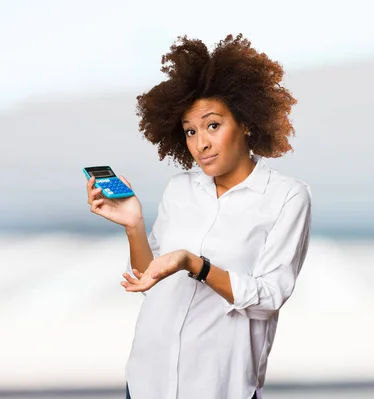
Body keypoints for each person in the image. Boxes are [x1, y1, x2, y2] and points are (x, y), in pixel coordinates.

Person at [85, 34, 312, 399]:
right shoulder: (180, 188)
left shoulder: (286, 197)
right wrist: (134, 226)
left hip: (218, 385)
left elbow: (269, 297)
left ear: (247, 122)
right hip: (148, 379)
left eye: (212, 125)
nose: (200, 143)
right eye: (190, 131)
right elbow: (150, 280)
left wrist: (196, 264)